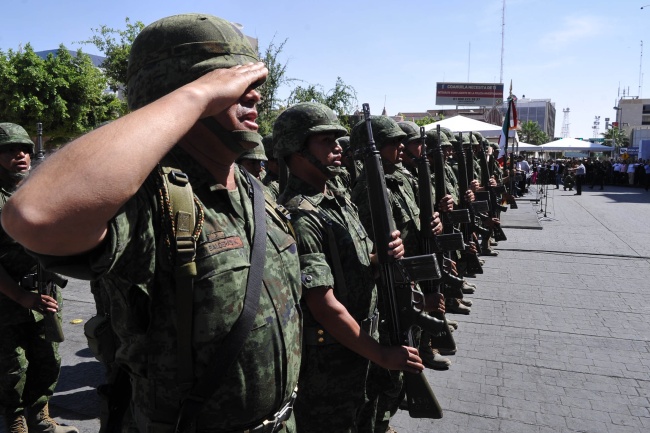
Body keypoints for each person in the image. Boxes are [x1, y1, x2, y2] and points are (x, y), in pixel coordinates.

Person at [2, 14, 302, 433]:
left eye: (253, 83)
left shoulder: (256, 191)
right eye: (230, 82)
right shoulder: (152, 196)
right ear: (176, 93)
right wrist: (197, 95)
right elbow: (34, 215)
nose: (252, 95)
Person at [273, 102, 423, 433]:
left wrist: (382, 256)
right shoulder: (300, 216)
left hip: (361, 347)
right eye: (326, 141)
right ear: (296, 149)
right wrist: (381, 354)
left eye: (337, 140)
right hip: (331, 364)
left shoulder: (337, 200)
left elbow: (358, 263)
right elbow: (322, 304)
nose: (338, 148)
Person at [0, 123, 78, 433]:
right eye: (9, 150)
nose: (20, 155)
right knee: (12, 367)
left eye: (25, 149)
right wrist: (21, 297)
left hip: (44, 292)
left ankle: (40, 416)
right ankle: (16, 420)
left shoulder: (42, 189)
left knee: (48, 358)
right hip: (7, 299)